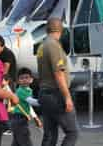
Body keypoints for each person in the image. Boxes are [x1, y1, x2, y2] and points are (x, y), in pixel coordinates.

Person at [37, 18, 78, 146]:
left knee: (50, 134)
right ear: (61, 30)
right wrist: (67, 97)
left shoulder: (42, 45)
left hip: (45, 93)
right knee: (72, 132)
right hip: (56, 94)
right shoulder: (54, 45)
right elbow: (58, 73)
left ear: (46, 29)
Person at [11, 67, 42, 146]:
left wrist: (35, 118)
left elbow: (29, 106)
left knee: (17, 142)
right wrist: (44, 102)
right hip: (19, 119)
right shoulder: (21, 90)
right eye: (21, 78)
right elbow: (31, 102)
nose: (24, 80)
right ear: (18, 81)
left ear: (31, 79)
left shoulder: (28, 90)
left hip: (20, 119)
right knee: (25, 141)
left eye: (27, 78)